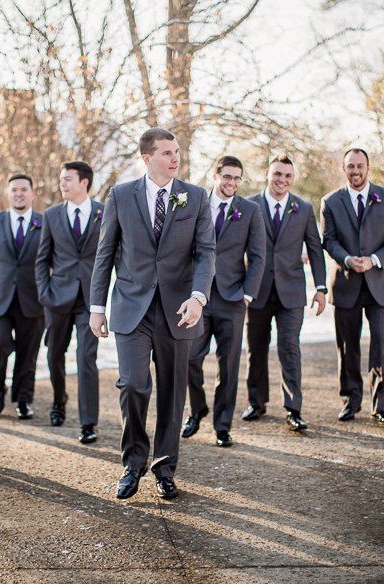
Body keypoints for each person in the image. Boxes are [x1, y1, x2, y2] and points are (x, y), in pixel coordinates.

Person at [90, 128, 215, 500]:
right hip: (131, 307)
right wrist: (97, 307)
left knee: (173, 392)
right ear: (147, 158)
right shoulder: (120, 195)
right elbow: (105, 253)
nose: (175, 158)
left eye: (177, 152)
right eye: (166, 153)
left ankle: (164, 466)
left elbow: (206, 252)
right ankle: (133, 464)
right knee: (131, 383)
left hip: (179, 311)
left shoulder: (195, 196)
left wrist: (198, 297)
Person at [183, 156, 264, 448]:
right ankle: (196, 410)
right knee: (190, 358)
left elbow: (258, 256)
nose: (232, 183)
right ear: (216, 175)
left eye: (237, 178)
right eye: (227, 176)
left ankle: (222, 425)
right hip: (197, 297)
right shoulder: (195, 203)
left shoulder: (250, 211)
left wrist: (247, 294)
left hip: (232, 299)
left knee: (228, 365)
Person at [321, 149, 384, 426]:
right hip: (346, 283)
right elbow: (329, 240)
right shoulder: (330, 202)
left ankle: (381, 407)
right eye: (350, 167)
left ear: (368, 167)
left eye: (360, 166)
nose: (355, 171)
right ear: (343, 169)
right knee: (347, 347)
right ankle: (350, 401)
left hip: (380, 284)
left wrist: (373, 260)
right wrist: (347, 259)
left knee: (381, 345)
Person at [244, 155, 326, 431]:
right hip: (256, 290)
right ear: (267, 173)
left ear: (293, 178)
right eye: (278, 174)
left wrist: (321, 287)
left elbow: (315, 248)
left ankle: (293, 408)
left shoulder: (303, 208)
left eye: (288, 176)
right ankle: (257, 402)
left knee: (290, 348)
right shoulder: (248, 205)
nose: (282, 180)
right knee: (256, 348)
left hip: (291, 292)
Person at [36, 161, 105, 443]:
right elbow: (42, 259)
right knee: (55, 355)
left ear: (84, 183)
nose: (62, 184)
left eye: (67, 180)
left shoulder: (105, 212)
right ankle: (58, 401)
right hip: (57, 297)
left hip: (91, 300)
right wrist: (44, 292)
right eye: (61, 180)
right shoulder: (51, 215)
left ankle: (89, 423)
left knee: (86, 358)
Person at [0, 174, 45, 420]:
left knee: (28, 354)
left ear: (32, 194)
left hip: (34, 300)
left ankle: (24, 399)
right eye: (14, 190)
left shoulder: (44, 222)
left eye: (24, 189)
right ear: (8, 194)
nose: (19, 193)